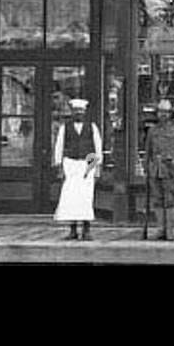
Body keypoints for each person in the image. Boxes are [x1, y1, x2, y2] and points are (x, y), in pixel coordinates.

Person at [53, 97, 102, 241]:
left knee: (86, 197)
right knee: (71, 196)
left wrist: (96, 167)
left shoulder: (92, 127)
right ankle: (73, 229)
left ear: (85, 112)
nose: (78, 114)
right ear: (72, 112)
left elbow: (97, 148)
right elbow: (59, 147)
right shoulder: (65, 128)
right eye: (76, 111)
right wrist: (59, 166)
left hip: (87, 164)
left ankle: (86, 229)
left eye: (81, 111)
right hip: (71, 164)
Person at [143, 98, 174, 241]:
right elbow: (148, 151)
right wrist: (146, 168)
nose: (163, 114)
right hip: (155, 169)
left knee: (169, 200)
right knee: (157, 200)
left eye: (166, 112)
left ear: (170, 113)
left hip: (170, 170)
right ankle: (160, 229)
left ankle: (170, 230)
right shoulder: (152, 131)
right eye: (161, 111)